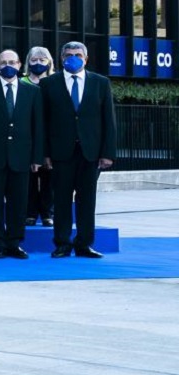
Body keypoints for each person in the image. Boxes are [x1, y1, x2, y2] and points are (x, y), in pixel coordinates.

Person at [41, 41, 116, 259]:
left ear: (86, 58)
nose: (72, 57)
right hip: (60, 152)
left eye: (77, 54)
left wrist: (107, 153)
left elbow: (108, 120)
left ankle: (84, 244)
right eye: (68, 54)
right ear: (61, 58)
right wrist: (44, 153)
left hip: (90, 152)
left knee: (87, 200)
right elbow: (43, 121)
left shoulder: (101, 83)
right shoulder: (48, 83)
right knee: (61, 200)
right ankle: (62, 244)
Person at [0, 49, 44, 260]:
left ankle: (14, 243)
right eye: (3, 62)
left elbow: (38, 126)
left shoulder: (32, 92)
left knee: (19, 203)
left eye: (12, 62)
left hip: (22, 157)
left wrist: (37, 158)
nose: (7, 65)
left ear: (20, 64)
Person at [22, 46, 56, 227]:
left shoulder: (55, 83)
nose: (38, 63)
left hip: (50, 136)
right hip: (27, 137)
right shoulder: (21, 82)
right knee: (29, 178)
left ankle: (48, 213)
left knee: (49, 178)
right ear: (28, 62)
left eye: (42, 60)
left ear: (49, 63)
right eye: (34, 60)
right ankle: (30, 213)